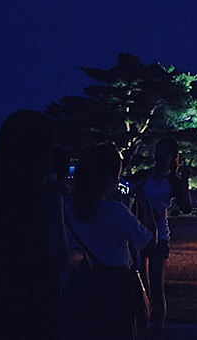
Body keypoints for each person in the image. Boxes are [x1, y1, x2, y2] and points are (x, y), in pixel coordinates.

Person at [0, 110, 76, 340]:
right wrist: (80, 255)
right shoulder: (47, 198)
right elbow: (59, 257)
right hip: (40, 301)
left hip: (2, 295)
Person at [63, 145, 154, 340]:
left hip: (80, 287)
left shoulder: (67, 206)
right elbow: (147, 242)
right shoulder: (115, 211)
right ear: (111, 179)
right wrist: (145, 204)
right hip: (115, 291)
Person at [134, 138, 193, 337]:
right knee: (140, 281)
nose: (160, 156)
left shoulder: (172, 181)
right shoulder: (143, 177)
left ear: (172, 158)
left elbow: (186, 207)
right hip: (138, 232)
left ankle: (157, 327)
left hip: (160, 236)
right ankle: (142, 323)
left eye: (165, 153)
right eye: (158, 151)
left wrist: (184, 182)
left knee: (156, 286)